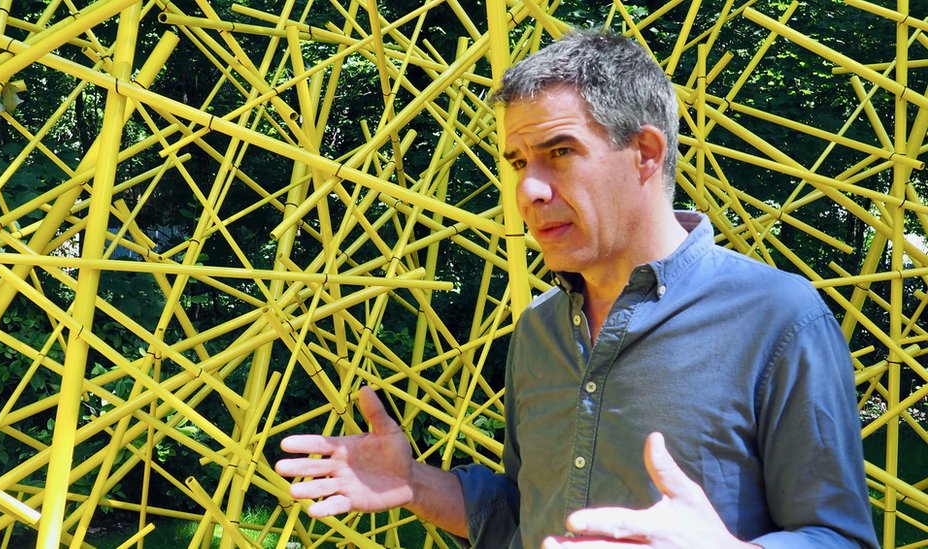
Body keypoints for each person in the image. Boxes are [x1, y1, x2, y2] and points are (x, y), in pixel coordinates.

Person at [276, 29, 879, 548]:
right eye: (518, 162)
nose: (528, 191)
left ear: (645, 153)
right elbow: (524, 512)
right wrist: (413, 483)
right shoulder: (539, 329)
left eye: (559, 152)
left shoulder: (777, 318)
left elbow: (840, 536)